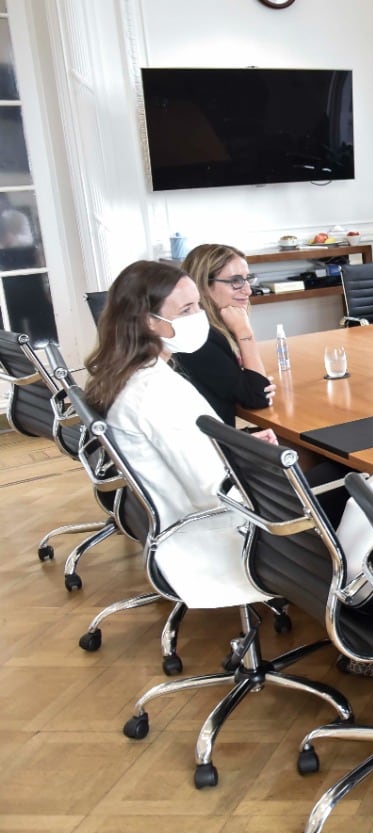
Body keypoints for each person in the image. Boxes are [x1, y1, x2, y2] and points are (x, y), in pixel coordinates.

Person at [83, 261, 270, 609]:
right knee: (345, 482)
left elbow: (189, 450)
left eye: (198, 304)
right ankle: (358, 622)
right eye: (186, 309)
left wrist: (239, 446)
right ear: (148, 322)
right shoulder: (156, 392)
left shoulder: (127, 374)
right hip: (215, 533)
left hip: (174, 516)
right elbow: (211, 490)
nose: (199, 315)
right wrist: (255, 461)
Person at [172, 243, 274, 425]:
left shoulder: (210, 330)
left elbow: (251, 386)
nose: (248, 290)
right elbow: (257, 397)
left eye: (247, 279)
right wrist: (244, 331)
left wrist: (253, 382)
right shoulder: (198, 339)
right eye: (235, 281)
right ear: (203, 286)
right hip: (212, 447)